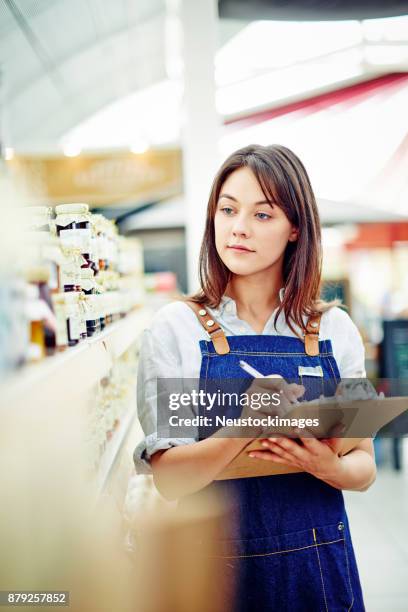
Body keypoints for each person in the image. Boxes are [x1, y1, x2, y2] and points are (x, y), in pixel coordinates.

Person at [134, 144, 376, 611]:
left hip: (319, 570)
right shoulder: (175, 328)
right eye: (228, 209)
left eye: (262, 215)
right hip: (211, 576)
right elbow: (169, 480)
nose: (238, 227)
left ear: (295, 230)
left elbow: (363, 463)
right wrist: (242, 427)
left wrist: (332, 469)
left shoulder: (334, 331)